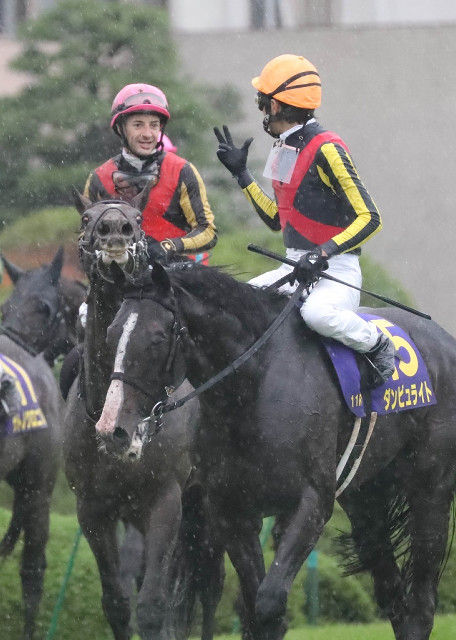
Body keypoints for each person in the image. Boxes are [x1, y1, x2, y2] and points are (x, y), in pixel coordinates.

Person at [214, 54, 395, 386]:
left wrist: (322, 252)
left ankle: (377, 344)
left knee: (317, 315)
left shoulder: (328, 148)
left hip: (338, 270)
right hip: (294, 265)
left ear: (277, 105)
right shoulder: (283, 149)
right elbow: (276, 219)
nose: (262, 111)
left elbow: (370, 218)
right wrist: (242, 175)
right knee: (238, 304)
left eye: (262, 103)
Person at [84, 83, 217, 263]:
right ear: (120, 128)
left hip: (179, 271)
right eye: (138, 125)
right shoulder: (98, 178)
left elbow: (208, 232)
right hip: (123, 274)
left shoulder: (183, 170)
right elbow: (85, 238)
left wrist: (169, 247)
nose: (148, 134)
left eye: (154, 125)